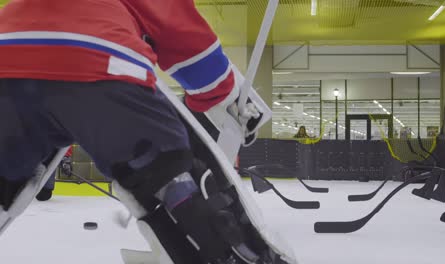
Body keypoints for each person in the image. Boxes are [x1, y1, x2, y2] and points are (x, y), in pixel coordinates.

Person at [0, 1, 276, 263]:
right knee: (171, 173)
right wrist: (229, 98)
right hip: (98, 59)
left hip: (7, 57)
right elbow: (184, 37)